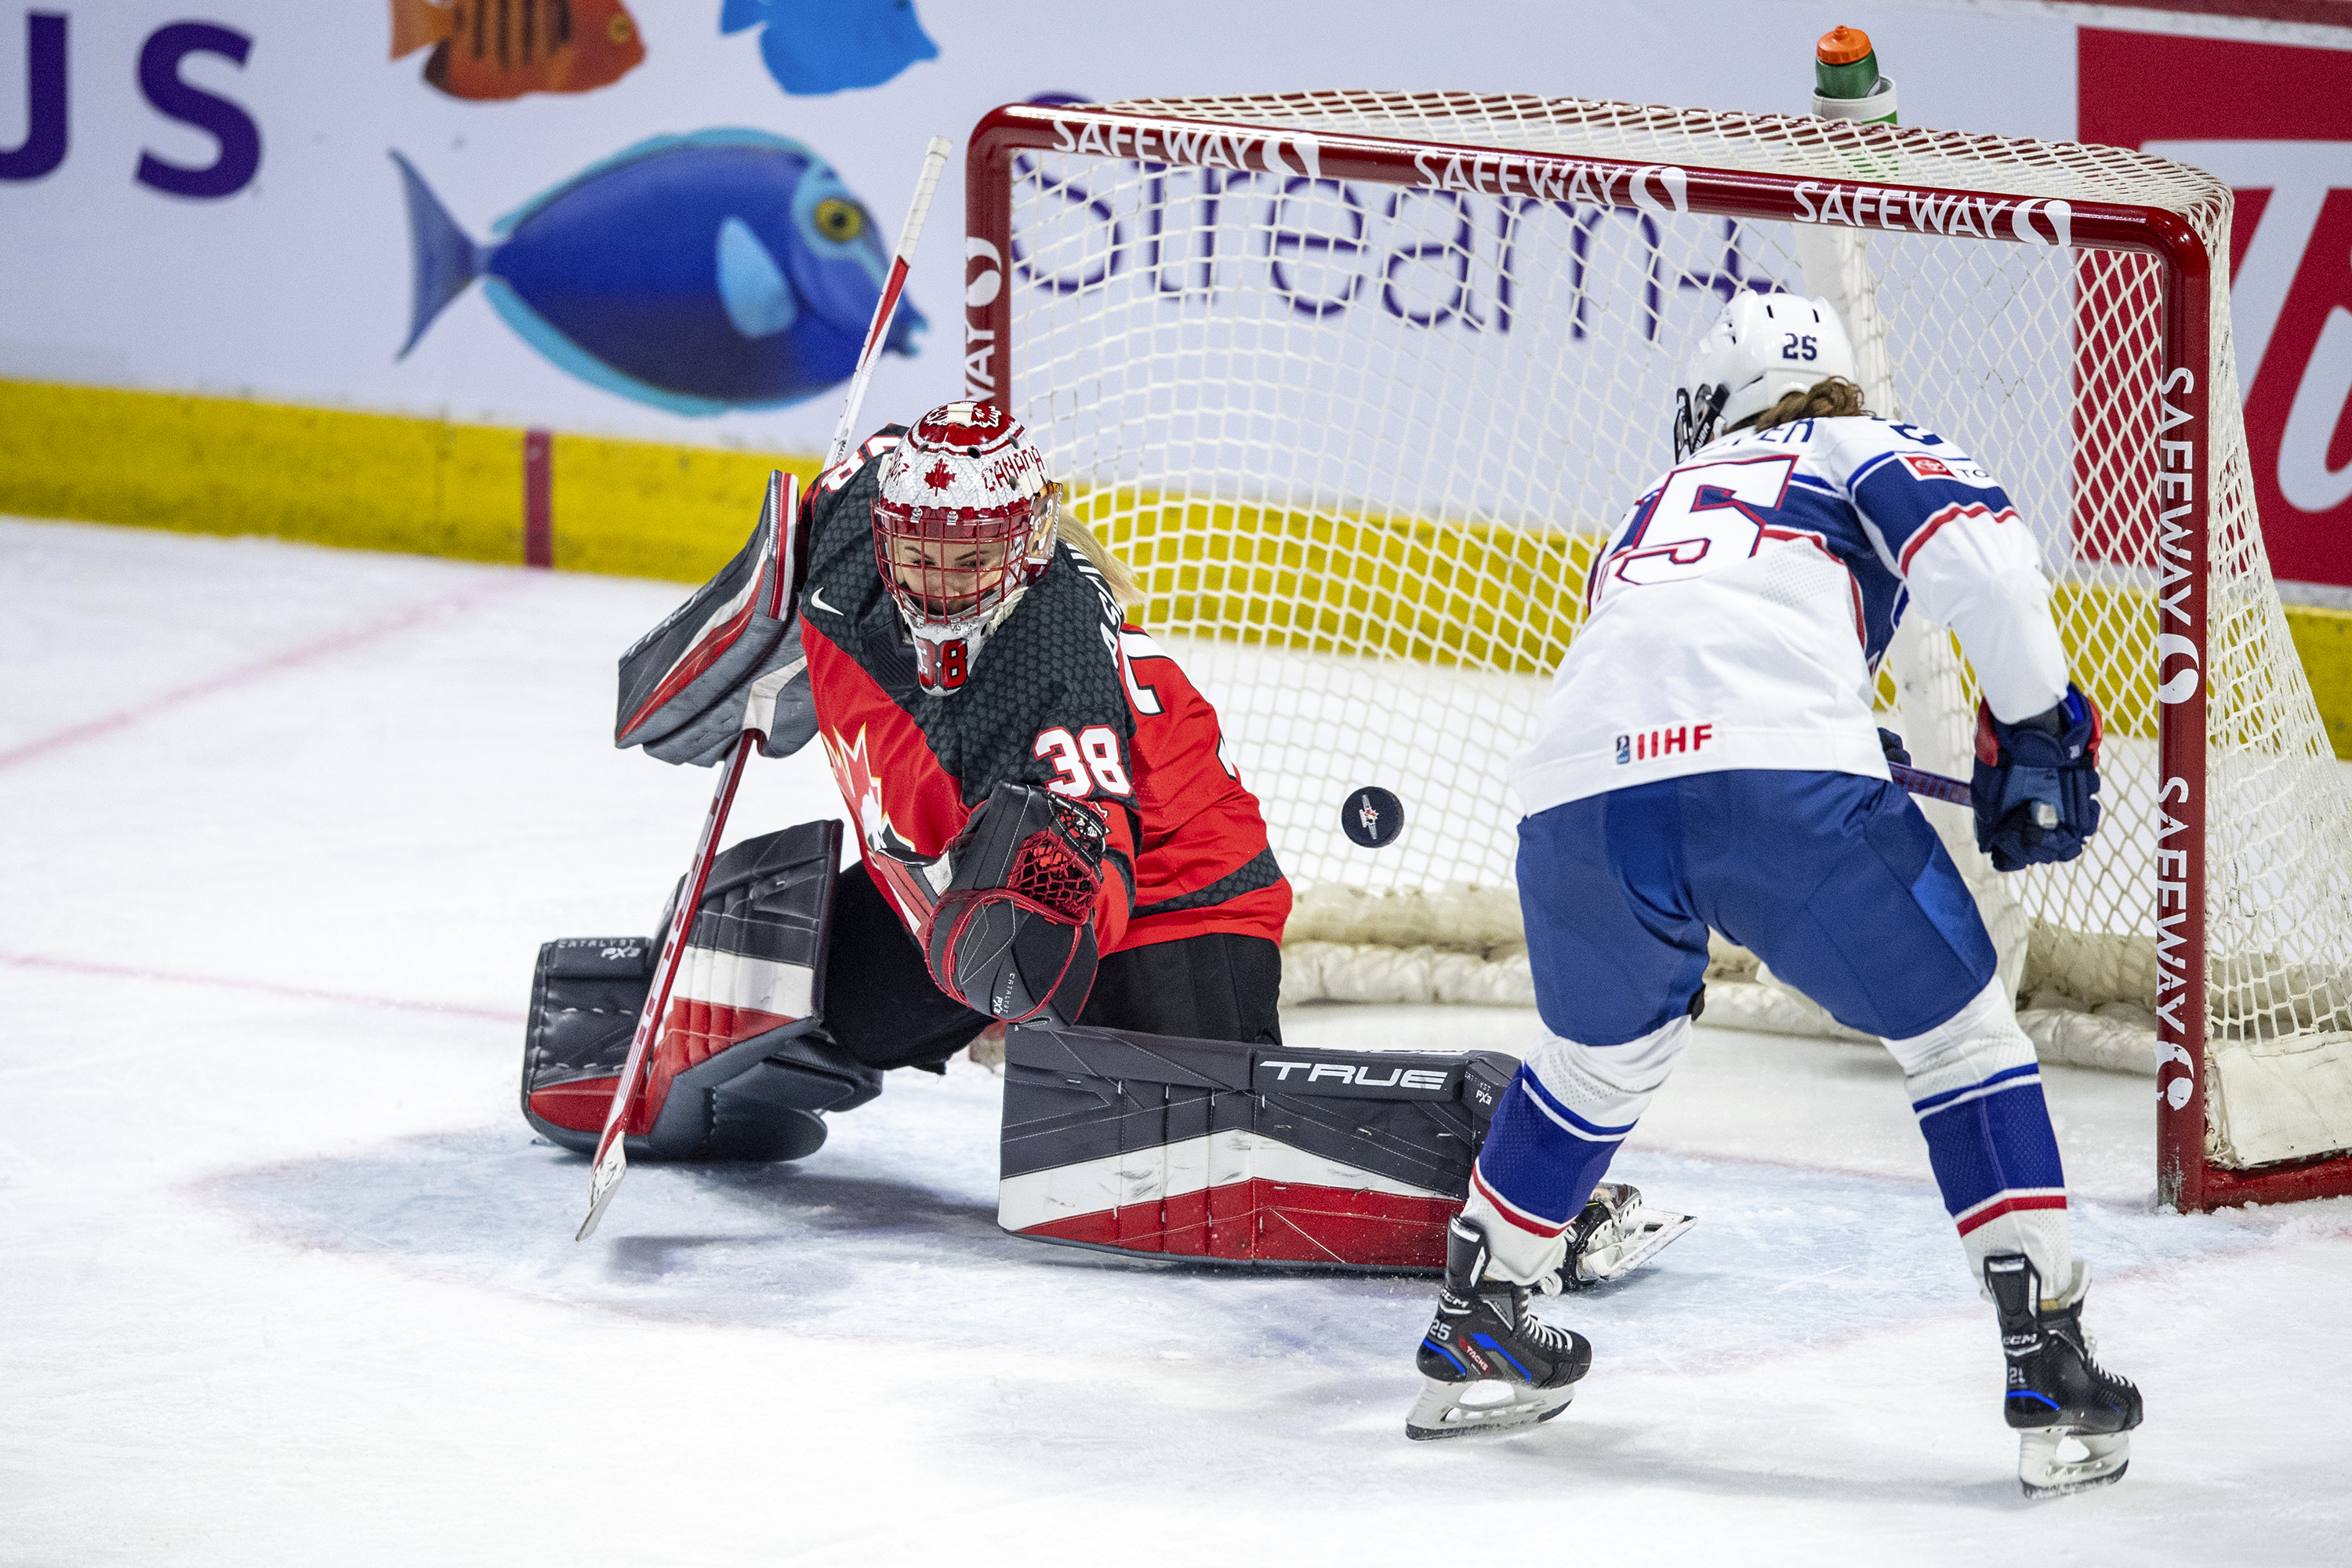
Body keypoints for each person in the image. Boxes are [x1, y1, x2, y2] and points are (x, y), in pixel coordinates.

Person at [1404, 295, 2142, 1498]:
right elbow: (1989, 571)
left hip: (1578, 803)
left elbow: (1673, 670)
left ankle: (1478, 1318)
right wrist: (2033, 726)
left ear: (1712, 404)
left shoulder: (1650, 506)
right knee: (1961, 1040)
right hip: (1783, 787)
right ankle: (2048, 1356)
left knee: (1597, 1061)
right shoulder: (1859, 443)